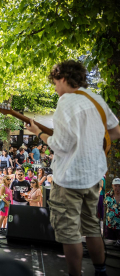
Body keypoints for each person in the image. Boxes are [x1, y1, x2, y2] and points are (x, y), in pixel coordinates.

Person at [26, 60, 120, 276]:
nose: (55, 87)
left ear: (63, 78)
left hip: (69, 179)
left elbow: (61, 145)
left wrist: (38, 134)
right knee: (92, 228)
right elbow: (115, 132)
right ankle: (100, 271)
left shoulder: (65, 103)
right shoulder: (96, 99)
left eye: (55, 82)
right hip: (94, 177)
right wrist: (92, 146)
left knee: (70, 234)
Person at [104, 178, 120, 248]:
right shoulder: (107, 195)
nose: (117, 188)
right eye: (115, 186)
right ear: (112, 186)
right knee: (109, 245)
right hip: (110, 225)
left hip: (119, 226)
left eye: (119, 186)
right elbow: (104, 207)